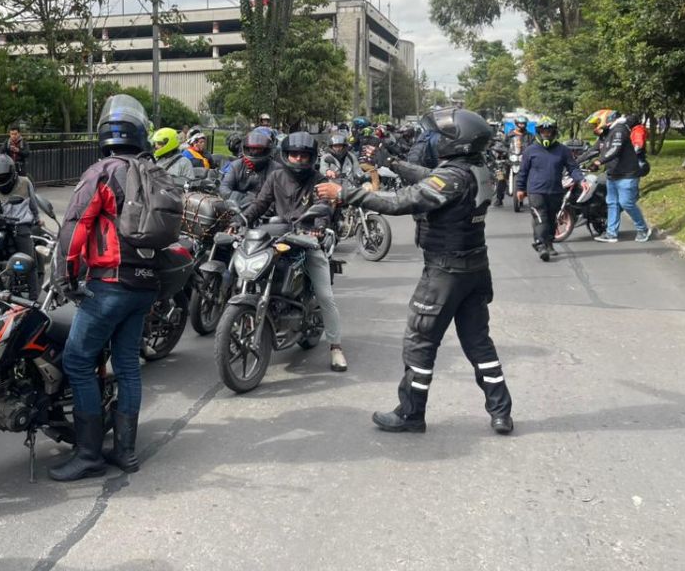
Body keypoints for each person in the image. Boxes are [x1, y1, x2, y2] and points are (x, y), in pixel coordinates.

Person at [315, 107, 513, 435]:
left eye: (439, 136)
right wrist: (390, 162)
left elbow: (399, 202)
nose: (433, 140)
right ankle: (501, 411)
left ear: (456, 142)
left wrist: (345, 193)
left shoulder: (452, 177)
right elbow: (431, 178)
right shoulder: (479, 169)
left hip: (444, 271)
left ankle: (411, 414)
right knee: (479, 342)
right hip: (476, 268)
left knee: (419, 342)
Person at [50, 94, 160, 481]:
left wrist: (65, 276)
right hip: (146, 285)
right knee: (128, 364)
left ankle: (88, 454)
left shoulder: (102, 171)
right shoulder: (153, 172)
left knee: (78, 361)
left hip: (110, 283)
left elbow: (76, 224)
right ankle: (125, 452)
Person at [239, 132, 347, 373]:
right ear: (285, 155)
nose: (298, 159)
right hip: (278, 237)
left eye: (303, 155)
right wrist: (242, 219)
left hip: (307, 241)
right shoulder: (276, 176)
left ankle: (336, 347)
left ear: (311, 157)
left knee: (325, 296)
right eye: (293, 154)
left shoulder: (319, 180)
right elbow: (260, 203)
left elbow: (324, 211)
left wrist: (318, 230)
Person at [516, 117, 584, 261]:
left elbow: (573, 168)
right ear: (539, 132)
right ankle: (540, 245)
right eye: (543, 131)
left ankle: (549, 244)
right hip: (536, 191)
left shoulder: (563, 150)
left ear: (554, 132)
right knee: (541, 218)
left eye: (549, 131)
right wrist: (520, 189)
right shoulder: (530, 151)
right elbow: (523, 172)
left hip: (555, 191)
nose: (546, 134)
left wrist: (581, 180)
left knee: (552, 219)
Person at [588, 109, 652, 243]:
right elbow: (593, 150)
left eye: (597, 123)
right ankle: (611, 234)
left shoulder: (619, 130)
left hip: (627, 175)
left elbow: (614, 150)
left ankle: (643, 229)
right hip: (613, 174)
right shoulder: (607, 133)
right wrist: (574, 163)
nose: (595, 127)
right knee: (612, 204)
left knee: (626, 203)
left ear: (606, 120)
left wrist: (599, 161)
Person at [0, 154, 44, 297]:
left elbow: (33, 204)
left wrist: (37, 219)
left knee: (29, 262)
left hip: (20, 226)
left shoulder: (25, 182)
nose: (1, 179)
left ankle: (34, 298)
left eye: (4, 176)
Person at [219, 128, 274, 206]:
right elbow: (224, 188)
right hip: (239, 209)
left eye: (259, 148)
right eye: (253, 148)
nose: (255, 152)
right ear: (247, 148)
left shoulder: (276, 169)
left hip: (266, 211)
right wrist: (241, 199)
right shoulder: (236, 165)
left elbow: (283, 195)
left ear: (266, 149)